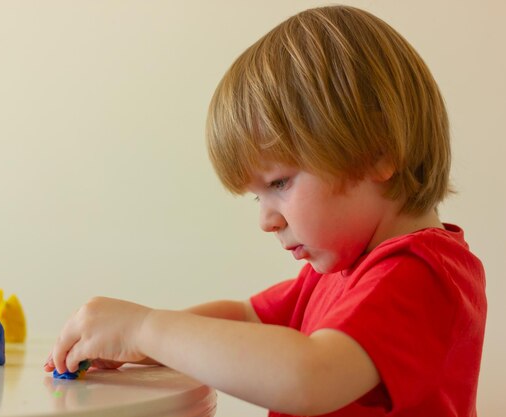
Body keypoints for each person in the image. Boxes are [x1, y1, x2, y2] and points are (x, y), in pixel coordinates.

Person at [44, 5, 487, 416]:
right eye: (258, 196)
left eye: (279, 183)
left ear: (377, 155)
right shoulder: (339, 272)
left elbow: (309, 377)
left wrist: (145, 328)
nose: (266, 220)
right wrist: (141, 344)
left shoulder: (422, 274)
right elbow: (246, 316)